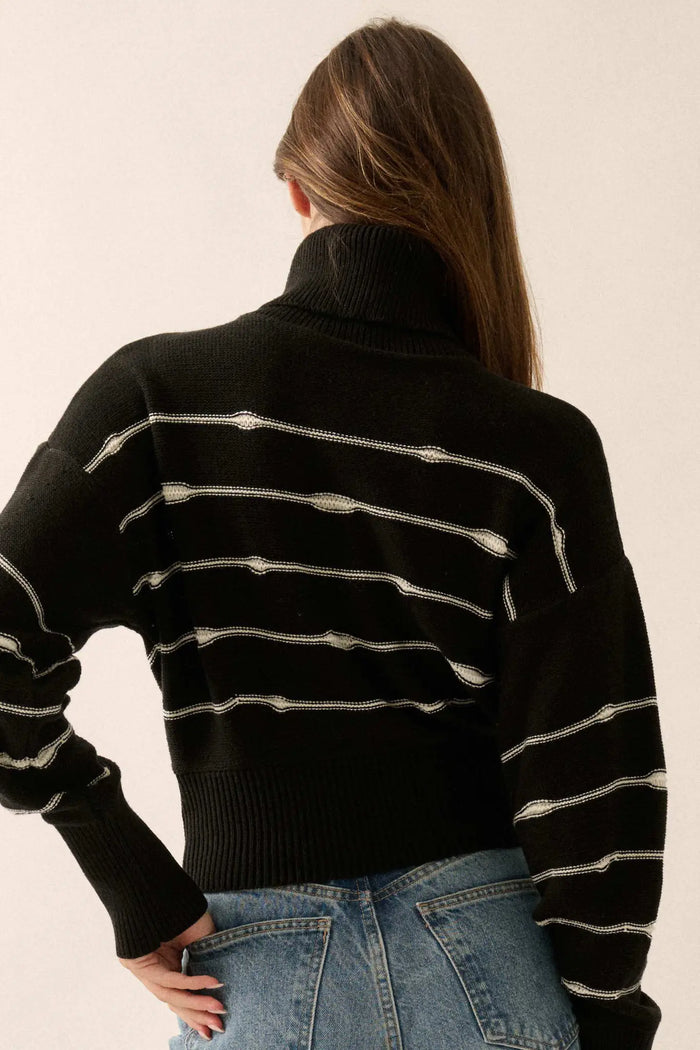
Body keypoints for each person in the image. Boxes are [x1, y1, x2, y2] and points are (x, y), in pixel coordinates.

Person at [0, 15, 666, 1050]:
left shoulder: (156, 404)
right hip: (491, 967)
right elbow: (596, 785)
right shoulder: (536, 448)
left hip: (254, 979)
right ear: (469, 204)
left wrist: (126, 869)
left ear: (299, 192)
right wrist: (606, 1021)